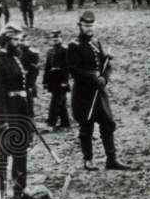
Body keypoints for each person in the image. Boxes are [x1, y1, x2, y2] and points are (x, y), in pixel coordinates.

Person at [67, 10, 131, 171]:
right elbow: (73, 70)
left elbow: (106, 65)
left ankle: (112, 159)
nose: (89, 28)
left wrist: (104, 78)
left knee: (108, 123)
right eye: (86, 25)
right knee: (86, 126)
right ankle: (88, 159)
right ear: (80, 26)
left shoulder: (97, 42)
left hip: (99, 93)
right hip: (84, 94)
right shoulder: (73, 45)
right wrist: (93, 77)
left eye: (91, 25)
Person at [0, 25, 34, 199]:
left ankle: (20, 189)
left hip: (19, 112)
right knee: (2, 152)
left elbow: (23, 90)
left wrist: (28, 115)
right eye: (15, 39)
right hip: (5, 114)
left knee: (21, 149)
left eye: (18, 39)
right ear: (6, 41)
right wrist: (1, 119)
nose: (18, 42)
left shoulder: (16, 59)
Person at [43, 30, 71, 129]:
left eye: (57, 37)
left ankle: (51, 123)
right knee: (61, 102)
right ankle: (65, 123)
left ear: (61, 38)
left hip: (61, 80)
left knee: (55, 102)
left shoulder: (65, 50)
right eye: (53, 38)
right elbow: (47, 67)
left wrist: (65, 81)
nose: (55, 39)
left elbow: (67, 67)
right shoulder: (50, 51)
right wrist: (45, 81)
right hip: (52, 80)